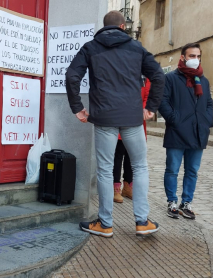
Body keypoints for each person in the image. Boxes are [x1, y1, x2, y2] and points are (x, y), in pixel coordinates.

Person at [66, 11, 165, 237]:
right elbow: (158, 76)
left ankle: (105, 224)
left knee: (104, 170)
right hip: (132, 118)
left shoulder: (91, 47)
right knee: (139, 167)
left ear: (104, 27)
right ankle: (142, 222)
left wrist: (77, 108)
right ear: (123, 26)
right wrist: (151, 107)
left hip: (104, 119)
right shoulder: (136, 47)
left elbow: (72, 76)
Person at [158, 43, 213, 220]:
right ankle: (172, 202)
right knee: (172, 169)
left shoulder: (203, 80)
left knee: (192, 171)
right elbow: (162, 102)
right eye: (191, 56)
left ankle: (186, 202)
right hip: (177, 131)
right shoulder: (171, 78)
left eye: (198, 56)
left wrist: (207, 121)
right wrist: (175, 119)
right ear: (183, 57)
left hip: (198, 132)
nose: (195, 60)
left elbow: (209, 103)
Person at [114, 77, 150, 202]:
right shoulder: (123, 73)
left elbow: (147, 97)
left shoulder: (145, 78)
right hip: (121, 120)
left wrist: (141, 111)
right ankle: (115, 188)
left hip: (137, 122)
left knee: (131, 156)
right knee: (117, 156)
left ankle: (128, 186)